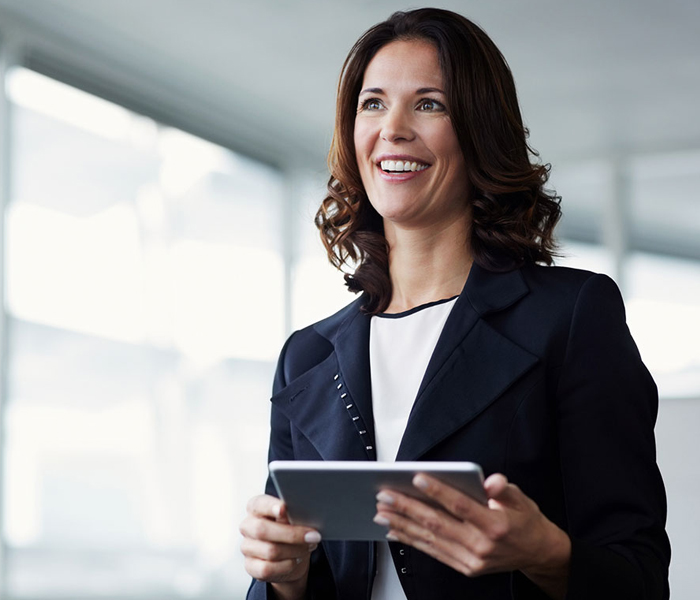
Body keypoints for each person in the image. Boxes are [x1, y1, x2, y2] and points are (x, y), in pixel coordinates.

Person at [239, 8, 670, 600]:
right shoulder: (307, 355)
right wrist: (281, 578)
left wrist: (546, 553)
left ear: (478, 131)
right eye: (373, 103)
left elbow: (639, 578)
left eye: (429, 104)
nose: (393, 128)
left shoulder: (570, 317)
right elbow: (300, 580)